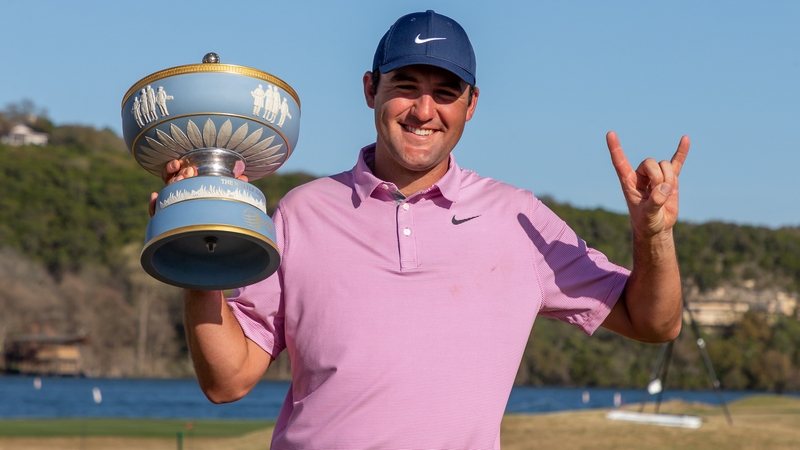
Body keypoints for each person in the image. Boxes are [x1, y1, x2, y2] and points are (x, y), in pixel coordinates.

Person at [153, 10, 688, 448]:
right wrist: (201, 247)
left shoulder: (517, 218)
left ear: (472, 105)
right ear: (371, 89)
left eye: (446, 92)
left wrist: (653, 234)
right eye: (405, 85)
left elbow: (654, 322)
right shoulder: (301, 211)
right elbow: (227, 380)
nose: (423, 110)